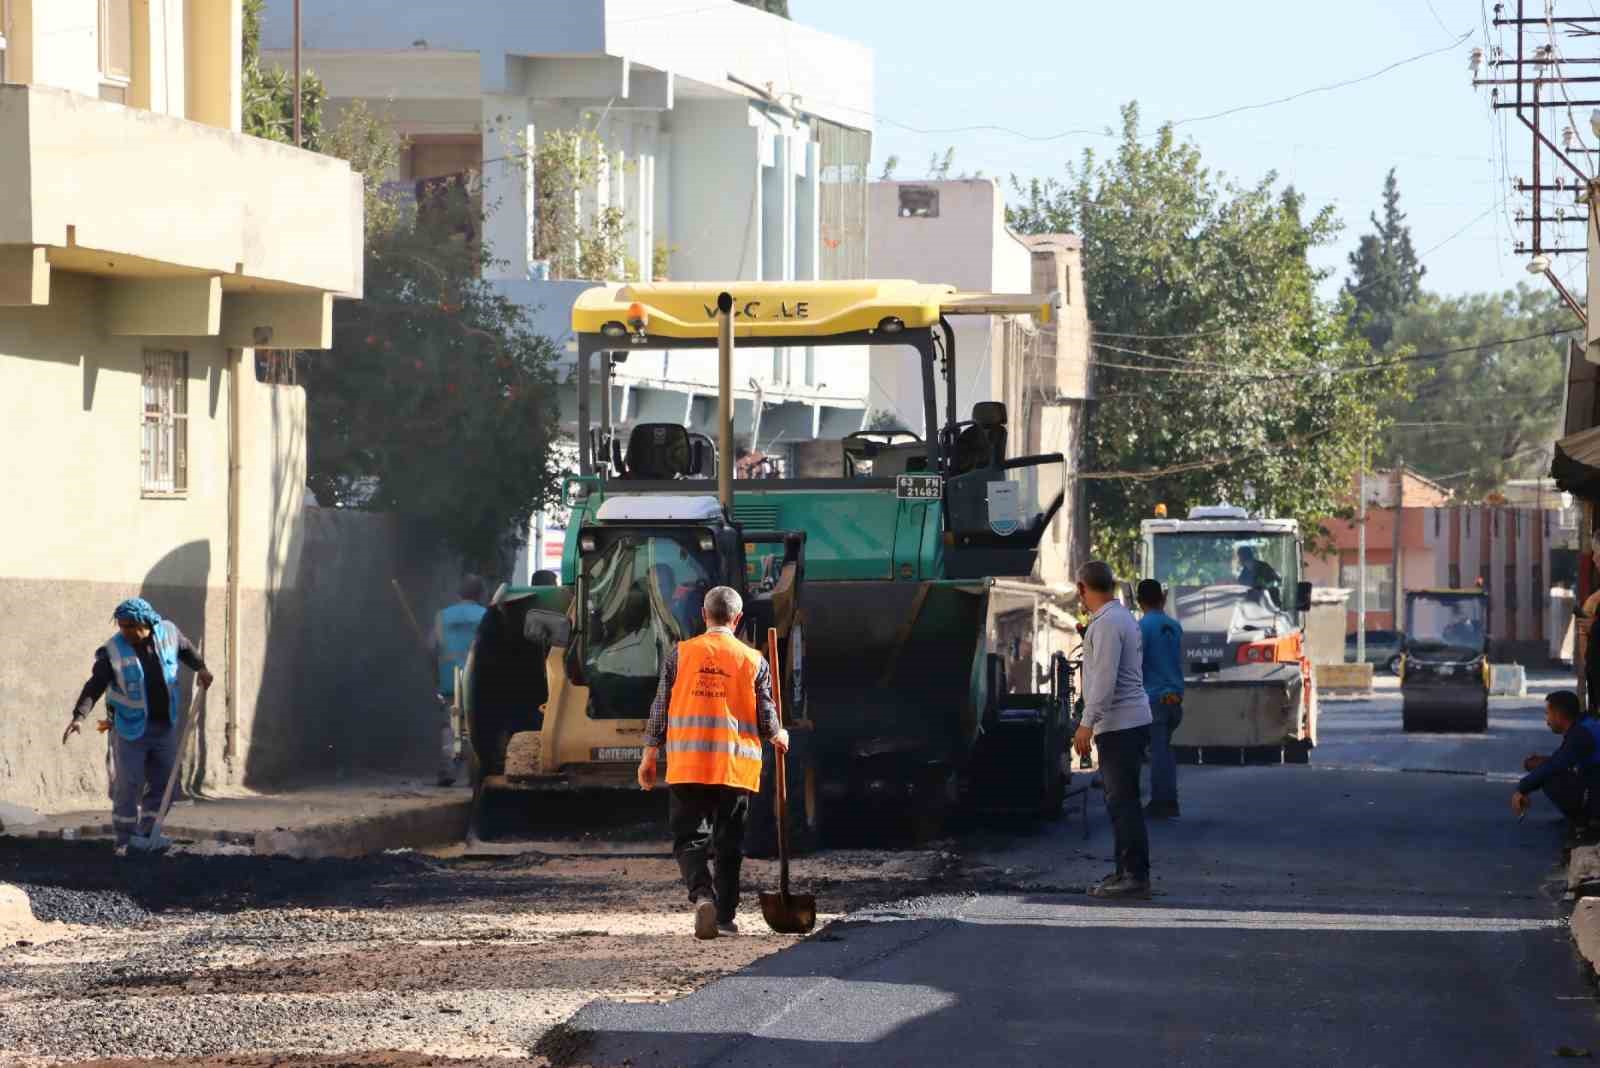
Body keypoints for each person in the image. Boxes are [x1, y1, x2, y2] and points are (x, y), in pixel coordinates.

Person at [637, 586, 789, 939]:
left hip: (688, 765)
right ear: (737, 619)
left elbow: (661, 706)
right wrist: (779, 735)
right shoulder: (754, 660)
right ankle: (724, 917)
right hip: (734, 769)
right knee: (729, 843)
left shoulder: (681, 654)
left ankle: (702, 895)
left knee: (690, 839)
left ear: (704, 616)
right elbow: (766, 715)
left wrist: (649, 754)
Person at [62, 598, 212, 856]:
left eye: (131, 626)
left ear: (147, 623)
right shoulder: (113, 651)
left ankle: (149, 832)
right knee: (128, 784)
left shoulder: (168, 633)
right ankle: (124, 839)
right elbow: (95, 685)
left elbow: (187, 650)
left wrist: (201, 668)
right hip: (130, 729)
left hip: (164, 726)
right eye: (122, 626)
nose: (126, 631)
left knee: (164, 784)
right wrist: (79, 716)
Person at [1072, 561, 1155, 899]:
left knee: (1123, 803)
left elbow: (1103, 681)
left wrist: (1086, 724)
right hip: (1128, 722)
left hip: (1120, 724)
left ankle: (1134, 876)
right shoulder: (1121, 619)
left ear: (1082, 589)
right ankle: (1125, 871)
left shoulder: (1106, 624)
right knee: (1121, 802)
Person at [1513, 690, 1600, 837]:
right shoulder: (1584, 726)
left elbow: (1555, 766)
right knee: (1543, 768)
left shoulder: (1580, 734)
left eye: (1548, 714)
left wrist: (1522, 789)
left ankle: (1586, 823)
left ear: (1559, 716)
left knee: (1548, 775)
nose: (1547, 721)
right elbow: (1561, 759)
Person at [431, 574, 487, 787]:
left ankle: (448, 769)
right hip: (478, 681)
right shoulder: (487, 615)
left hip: (448, 679)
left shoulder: (441, 617)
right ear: (480, 595)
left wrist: (435, 676)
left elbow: (431, 648)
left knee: (450, 723)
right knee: (478, 723)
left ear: (458, 594)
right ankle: (479, 770)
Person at [1137, 579, 1185, 820]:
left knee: (1157, 752)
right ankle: (1169, 799)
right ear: (1163, 599)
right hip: (1174, 698)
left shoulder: (1141, 627)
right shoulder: (1175, 626)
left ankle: (1162, 802)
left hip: (1153, 698)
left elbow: (1136, 664)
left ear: (1139, 601)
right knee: (1163, 749)